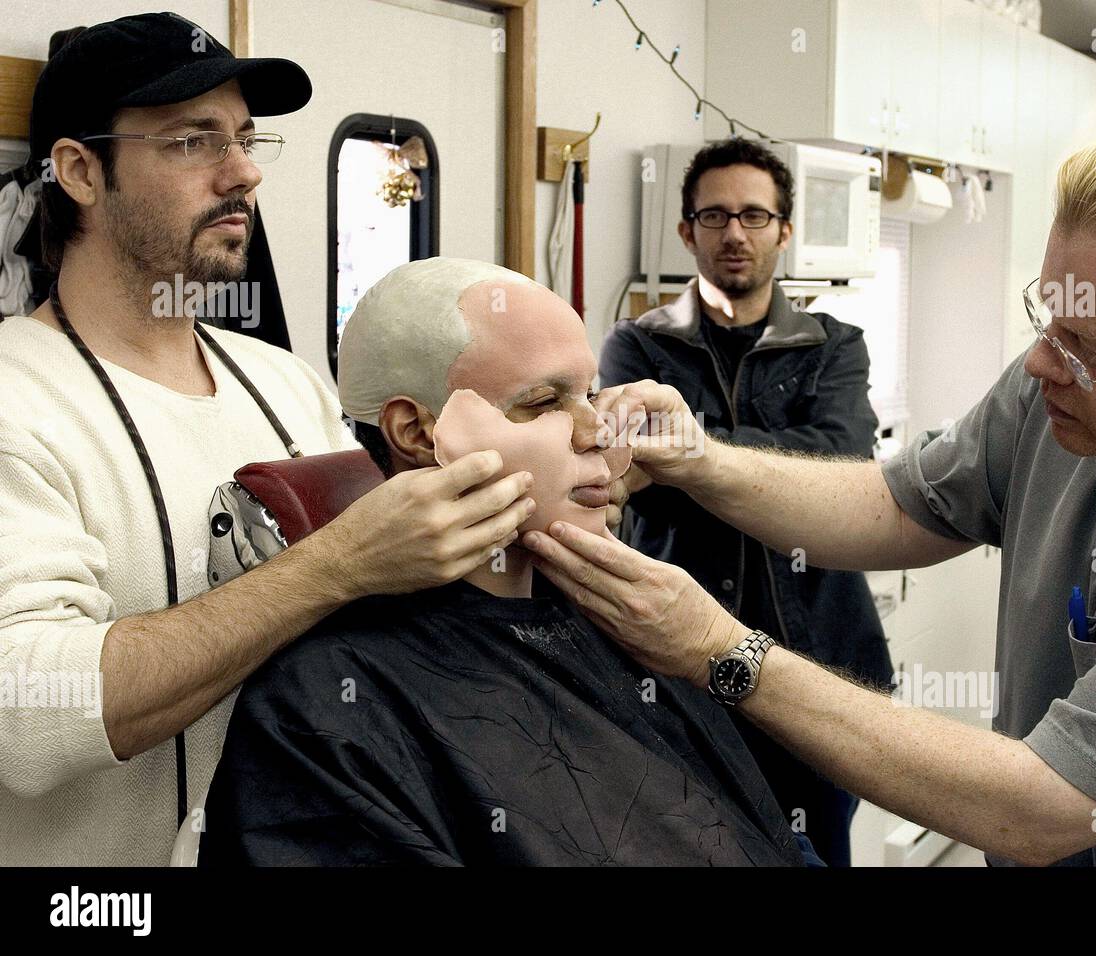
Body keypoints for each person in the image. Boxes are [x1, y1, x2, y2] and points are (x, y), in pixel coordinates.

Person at [525, 116, 1096, 866]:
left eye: (1087, 350)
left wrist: (717, 650)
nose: (1039, 365)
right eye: (1048, 316)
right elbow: (897, 507)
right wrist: (700, 461)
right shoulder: (1064, 384)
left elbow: (1043, 806)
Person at [0, 14, 530, 865]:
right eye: (191, 143)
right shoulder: (17, 400)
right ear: (80, 171)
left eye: (245, 139)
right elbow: (25, 711)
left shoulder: (280, 379)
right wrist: (338, 566)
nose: (243, 172)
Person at [198, 258, 807, 867]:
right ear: (415, 431)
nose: (597, 430)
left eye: (591, 394)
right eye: (543, 402)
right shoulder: (329, 703)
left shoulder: (640, 617)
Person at [599, 138, 891, 866]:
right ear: (686, 231)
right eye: (716, 215)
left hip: (820, 658)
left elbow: (844, 464)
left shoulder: (834, 345)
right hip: (673, 662)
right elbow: (640, 478)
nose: (735, 233)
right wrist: (766, 464)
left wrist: (692, 454)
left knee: (817, 851)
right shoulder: (635, 347)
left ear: (784, 232)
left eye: (755, 216)